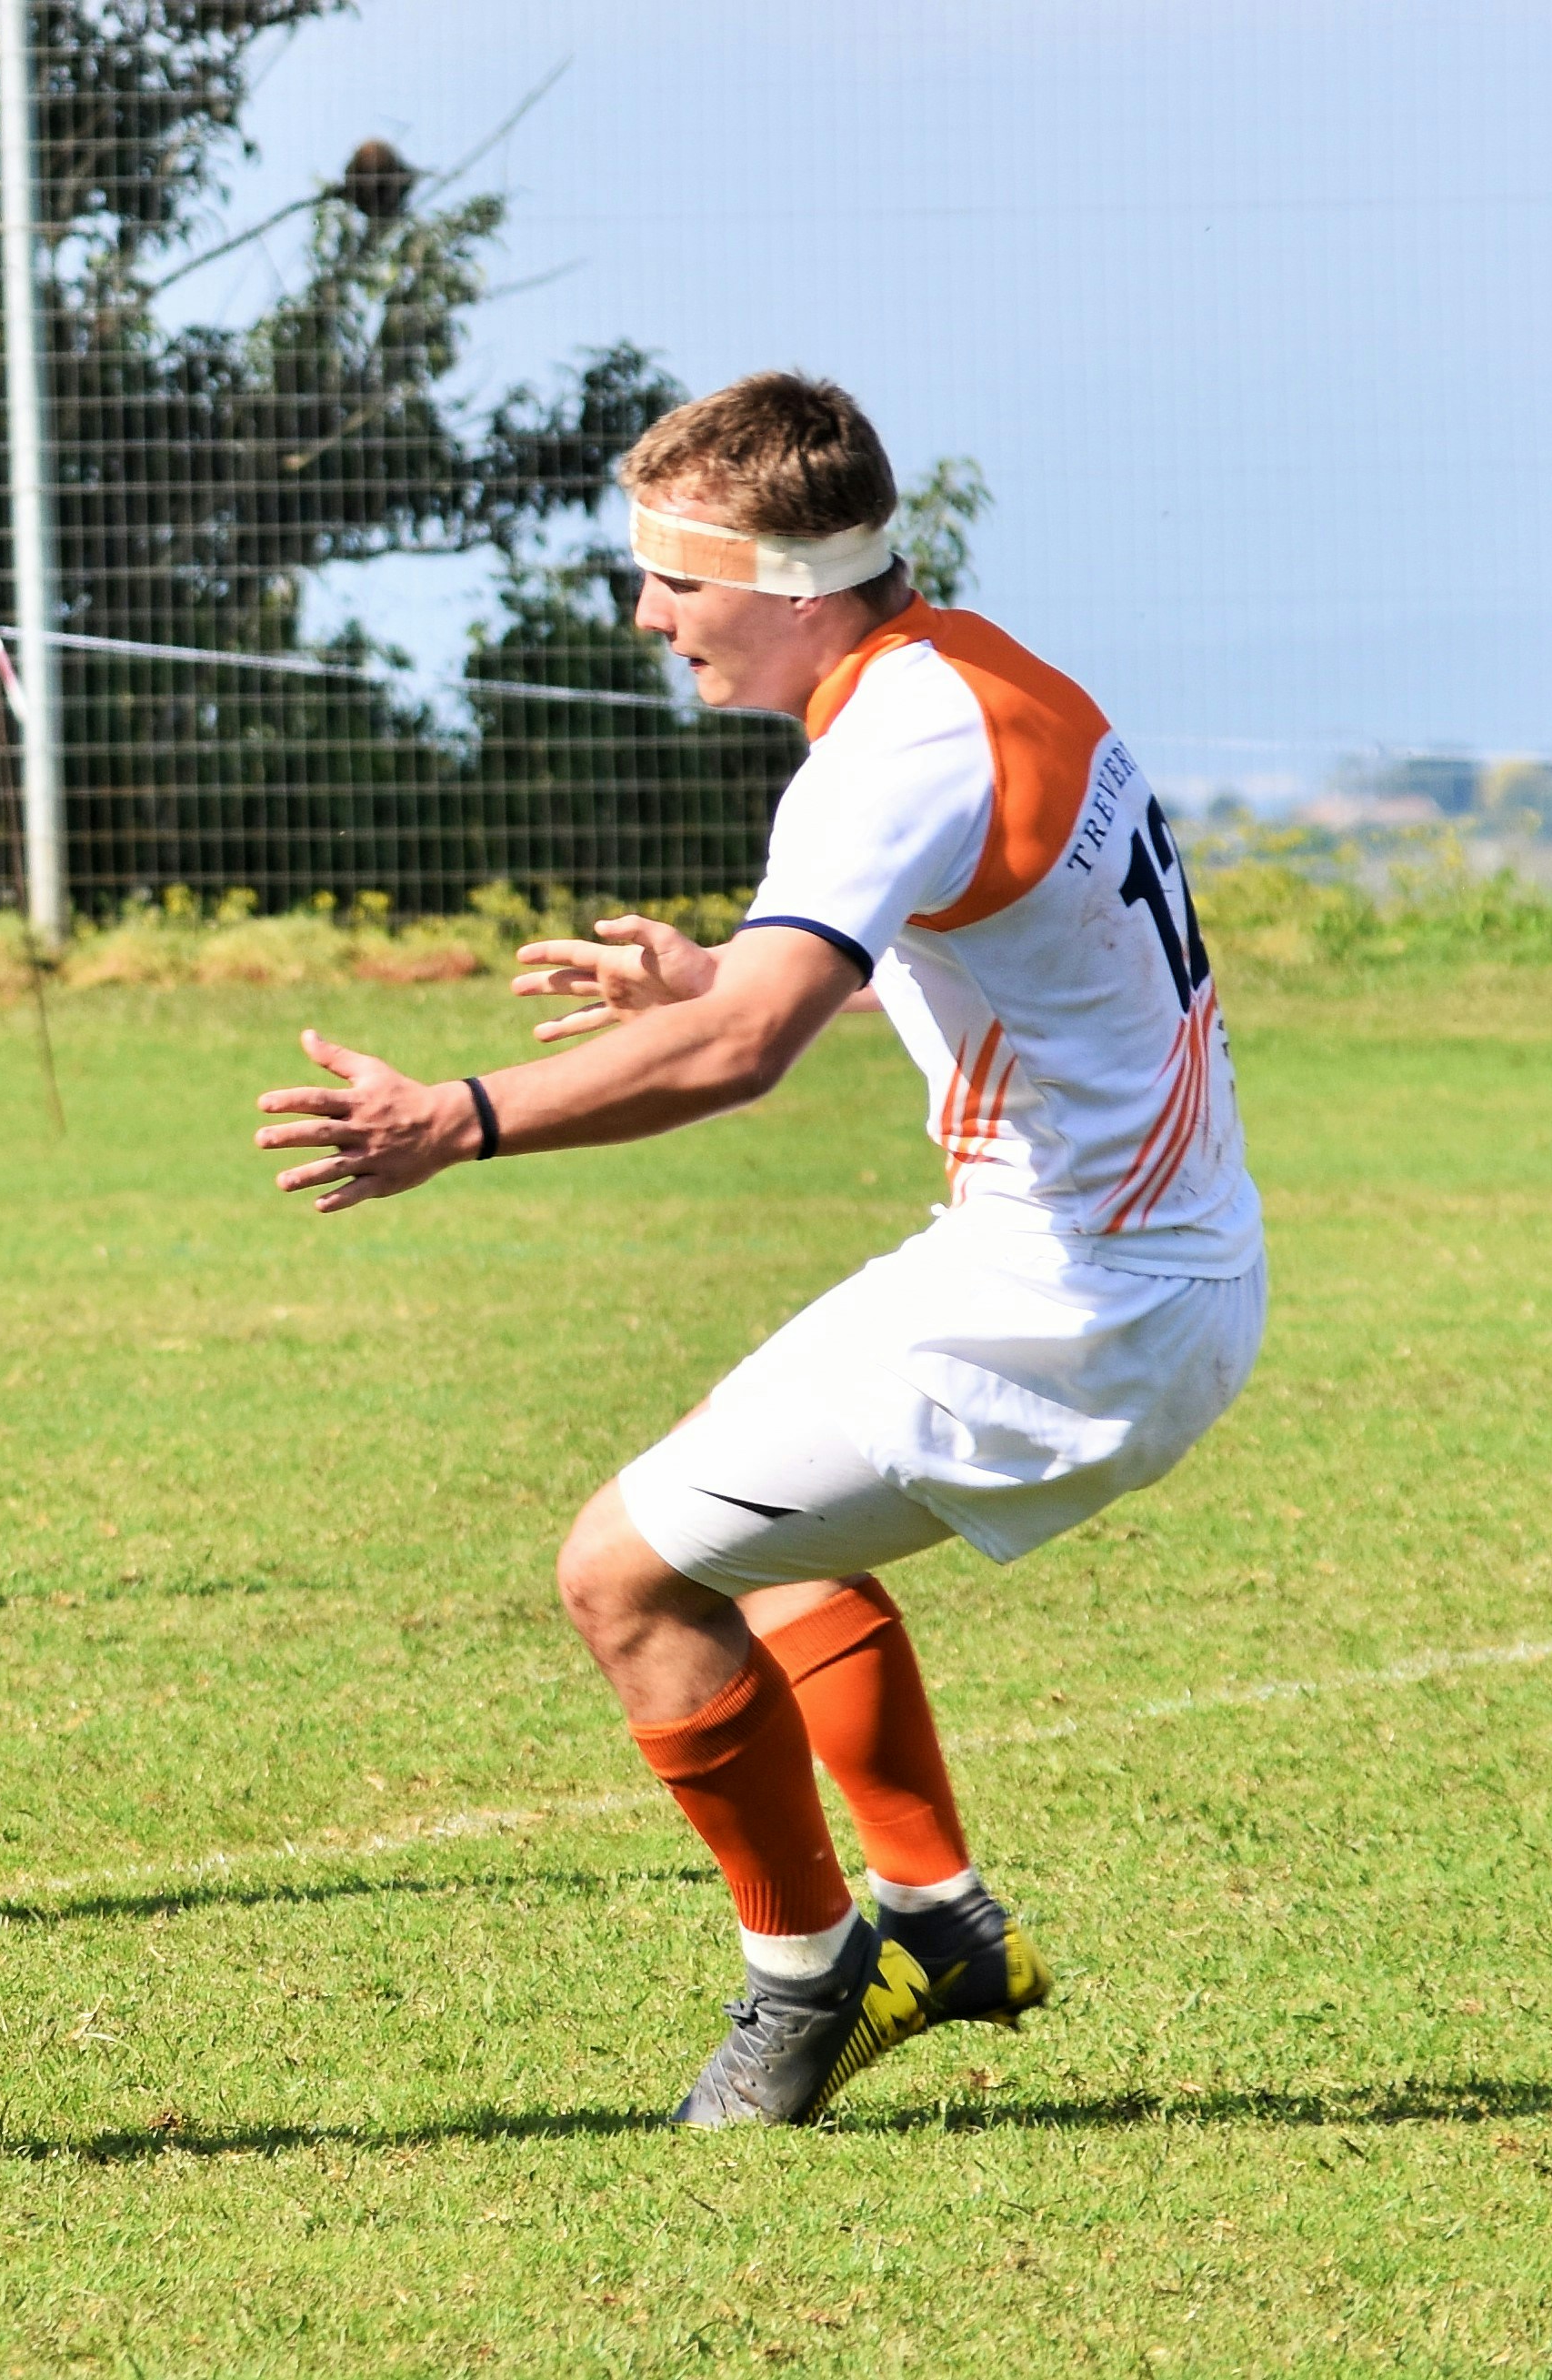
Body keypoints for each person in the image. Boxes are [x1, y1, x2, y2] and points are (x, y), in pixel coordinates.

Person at [253, 373, 1263, 2127]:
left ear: (797, 584)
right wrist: (699, 977)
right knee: (742, 1510)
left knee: (624, 1574)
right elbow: (944, 952)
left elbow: (750, 1053)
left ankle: (807, 1981)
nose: (651, 615)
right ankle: (941, 1917)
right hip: (1124, 1262)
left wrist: (461, 1117)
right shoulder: (969, 669)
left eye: (678, 580)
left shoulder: (897, 741)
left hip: (1075, 1299)